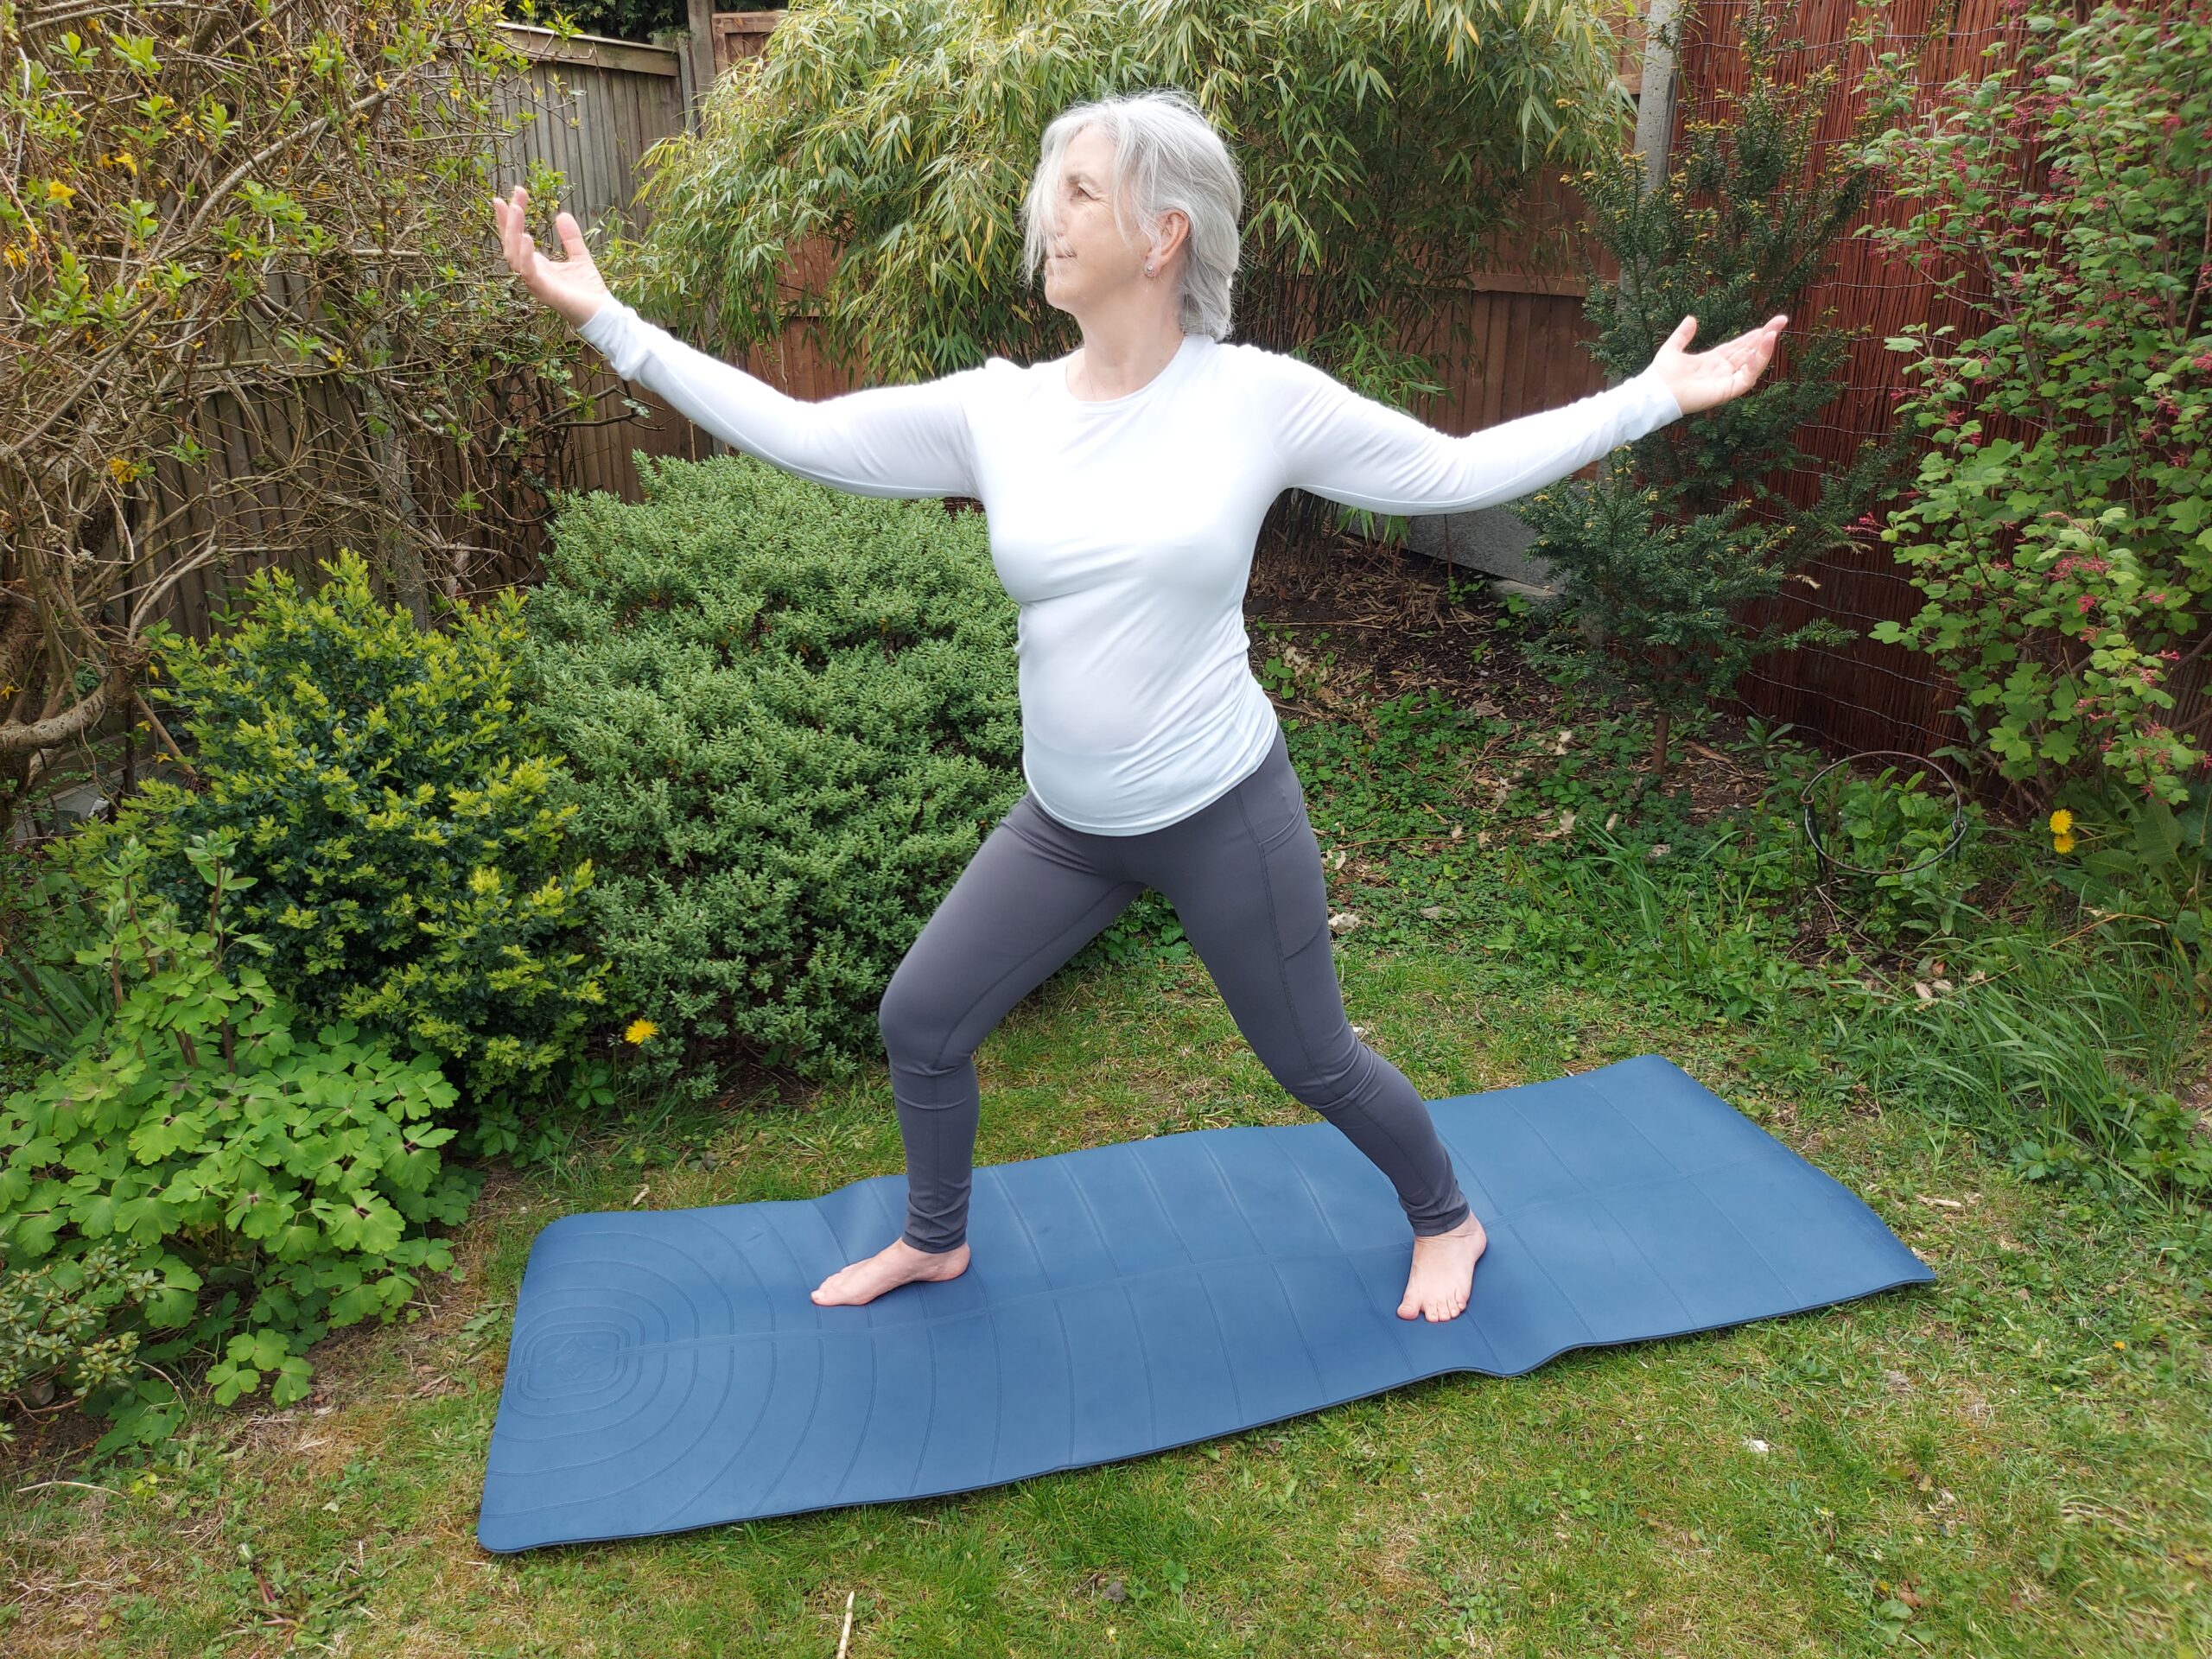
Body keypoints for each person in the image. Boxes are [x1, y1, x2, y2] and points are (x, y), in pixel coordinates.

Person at [493, 87, 1788, 1324]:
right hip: (1066, 824)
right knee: (921, 1020)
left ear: (1164, 234)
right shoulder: (998, 413)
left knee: (1312, 1059)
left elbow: (1449, 473)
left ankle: (1446, 1212)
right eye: (1047, 191)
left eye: (1079, 191)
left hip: (1222, 810)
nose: (1045, 216)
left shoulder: (1253, 401)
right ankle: (935, 1240)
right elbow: (803, 431)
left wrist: (1645, 402)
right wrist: (613, 322)